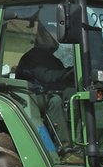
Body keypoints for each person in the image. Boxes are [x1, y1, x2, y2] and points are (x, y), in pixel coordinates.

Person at [16, 24, 76, 158]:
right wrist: (68, 72)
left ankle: (81, 142)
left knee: (74, 95)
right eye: (54, 35)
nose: (57, 39)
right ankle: (65, 147)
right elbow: (47, 76)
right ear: (45, 37)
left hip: (44, 94)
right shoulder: (33, 56)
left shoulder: (53, 59)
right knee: (54, 101)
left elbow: (60, 80)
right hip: (29, 98)